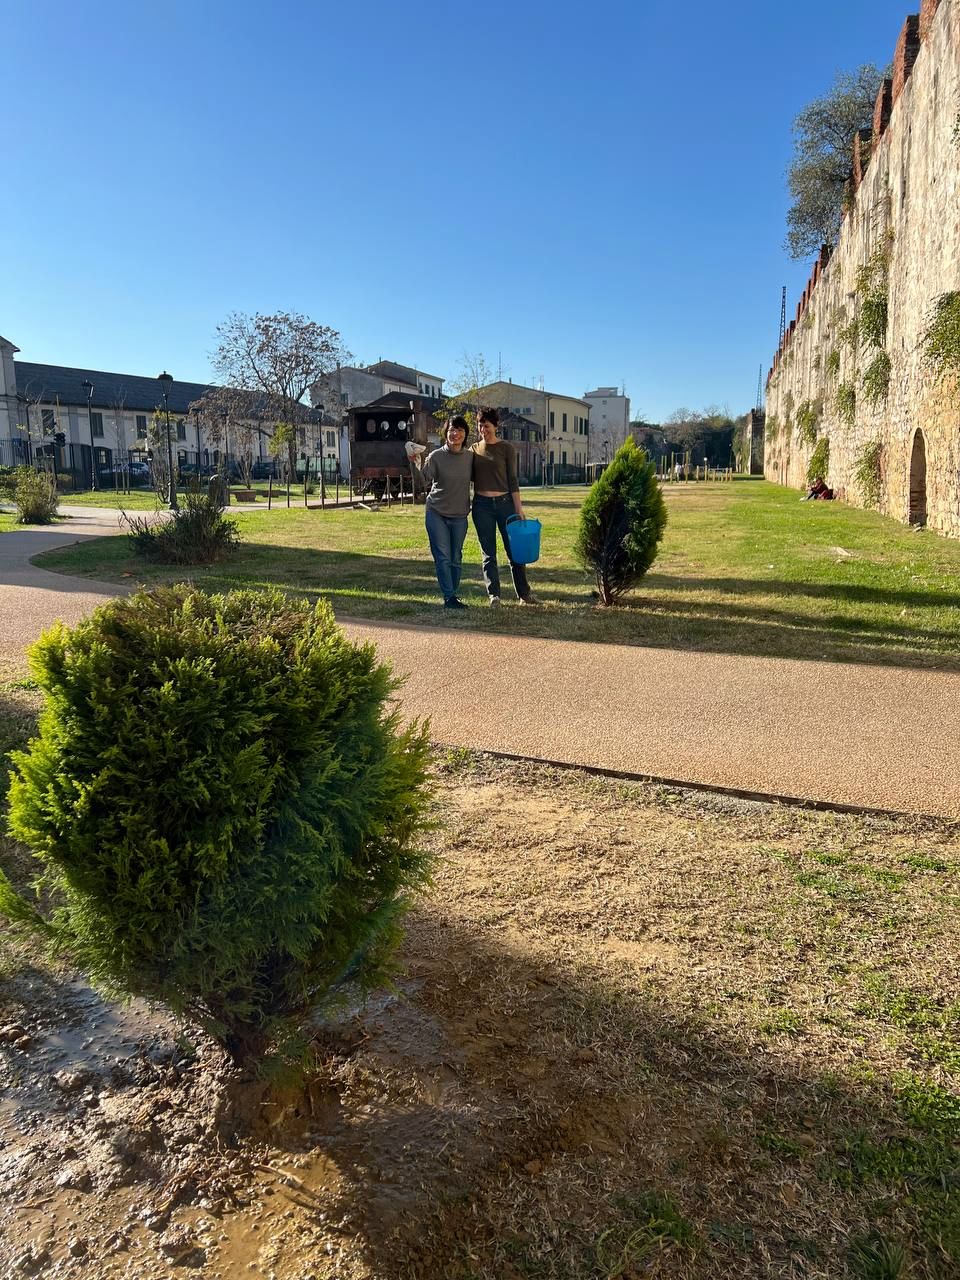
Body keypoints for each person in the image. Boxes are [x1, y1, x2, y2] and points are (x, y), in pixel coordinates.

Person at [470, 407, 538, 606]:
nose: (484, 429)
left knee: (514, 551)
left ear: (495, 427)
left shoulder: (507, 448)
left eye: (487, 426)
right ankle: (494, 596)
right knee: (488, 553)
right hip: (482, 506)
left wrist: (519, 509)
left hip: (505, 504)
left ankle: (524, 594)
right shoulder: (473, 450)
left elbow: (513, 480)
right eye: (481, 425)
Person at [421, 417, 473, 609]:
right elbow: (422, 480)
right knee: (443, 556)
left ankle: (453, 592)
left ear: (465, 434)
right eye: (452, 430)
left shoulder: (470, 458)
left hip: (460, 515)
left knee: (456, 557)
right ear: (446, 433)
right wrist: (414, 463)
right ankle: (449, 597)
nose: (455, 434)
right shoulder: (436, 456)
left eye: (459, 430)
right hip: (436, 512)